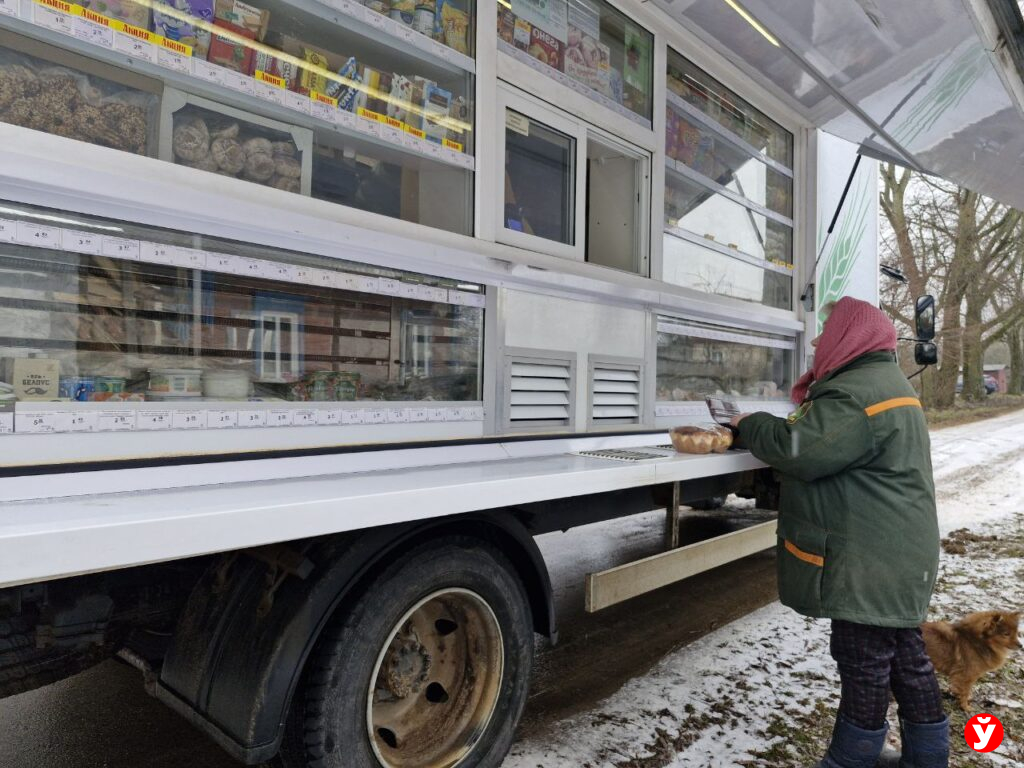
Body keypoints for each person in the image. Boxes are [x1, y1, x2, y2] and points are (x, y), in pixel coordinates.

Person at [730, 297, 948, 768]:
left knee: (863, 661)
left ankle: (851, 759)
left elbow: (799, 449)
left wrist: (749, 424)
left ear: (850, 337)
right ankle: (927, 758)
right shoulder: (880, 382)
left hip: (871, 559)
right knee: (905, 658)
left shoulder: (855, 394)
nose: (815, 339)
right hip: (896, 552)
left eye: (826, 331)